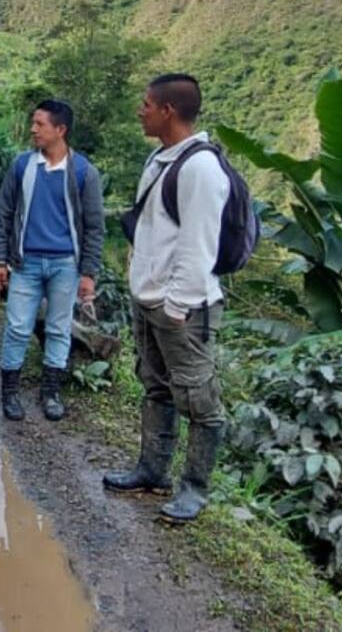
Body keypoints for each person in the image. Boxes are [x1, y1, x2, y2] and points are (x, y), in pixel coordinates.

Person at [103, 73, 229, 524]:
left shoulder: (200, 169)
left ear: (168, 111)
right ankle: (151, 471)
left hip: (183, 309)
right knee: (156, 387)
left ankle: (193, 490)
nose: (140, 110)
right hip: (150, 300)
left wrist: (176, 306)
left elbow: (200, 247)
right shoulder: (160, 158)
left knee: (200, 401)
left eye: (146, 104)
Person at [0, 100, 105, 422]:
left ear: (60, 130)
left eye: (40, 124)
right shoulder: (22, 166)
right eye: (33, 122)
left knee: (58, 329)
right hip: (26, 263)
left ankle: (51, 392)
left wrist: (89, 273)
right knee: (16, 327)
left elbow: (95, 227)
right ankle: (9, 393)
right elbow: (6, 214)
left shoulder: (83, 172)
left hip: (65, 265)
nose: (33, 129)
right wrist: (0, 259)